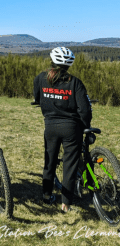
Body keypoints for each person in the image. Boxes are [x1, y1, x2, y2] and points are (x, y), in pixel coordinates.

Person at [33, 47, 92, 213]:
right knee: (70, 165)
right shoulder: (75, 82)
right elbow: (84, 110)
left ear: (51, 60)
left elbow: (36, 97)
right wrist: (86, 126)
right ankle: (66, 204)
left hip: (50, 126)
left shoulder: (41, 78)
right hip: (71, 128)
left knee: (49, 162)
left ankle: (46, 195)